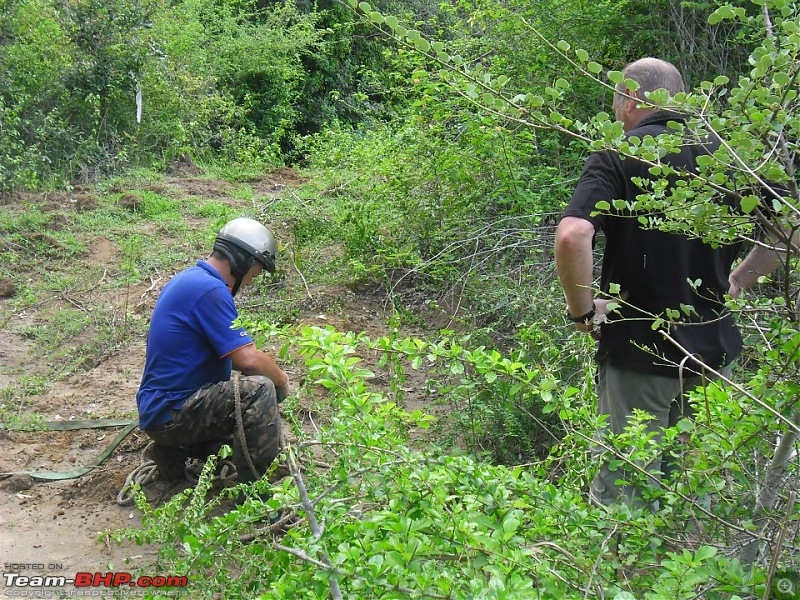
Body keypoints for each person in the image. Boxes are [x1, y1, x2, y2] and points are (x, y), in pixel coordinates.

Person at [554, 57, 782, 507]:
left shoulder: (620, 155)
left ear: (634, 97)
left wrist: (581, 312)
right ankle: (691, 574)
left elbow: (573, 234)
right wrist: (739, 280)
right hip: (715, 352)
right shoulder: (731, 156)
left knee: (628, 495)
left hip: (638, 351)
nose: (618, 115)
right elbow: (790, 229)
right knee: (697, 493)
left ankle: (623, 573)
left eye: (618, 102)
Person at [136, 217, 290, 483]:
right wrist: (282, 382)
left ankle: (175, 452)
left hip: (162, 411)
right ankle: (260, 494)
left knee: (243, 424)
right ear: (242, 261)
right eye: (255, 271)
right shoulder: (209, 290)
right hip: (173, 412)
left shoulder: (190, 280)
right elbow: (248, 359)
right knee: (259, 391)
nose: (252, 280)